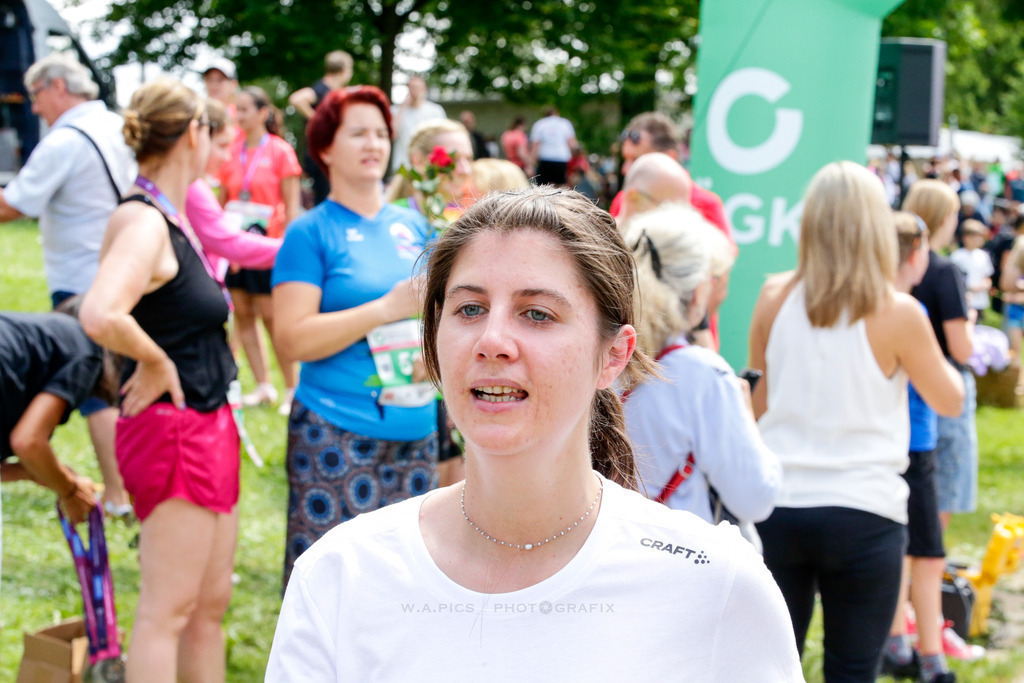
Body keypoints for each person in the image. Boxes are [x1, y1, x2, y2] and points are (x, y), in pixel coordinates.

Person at [265, 187, 804, 680]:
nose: (493, 340)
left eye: (537, 314)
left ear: (613, 355)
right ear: (432, 341)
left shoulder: (715, 587)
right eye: (470, 308)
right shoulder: (341, 577)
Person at [748, 161, 964, 682]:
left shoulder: (774, 295)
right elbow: (950, 399)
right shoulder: (898, 311)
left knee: (771, 668)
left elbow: (755, 404)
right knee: (851, 672)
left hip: (781, 506)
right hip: (866, 514)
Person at [80, 79, 240, 682]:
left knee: (209, 605)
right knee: (168, 610)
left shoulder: (171, 215)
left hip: (207, 421)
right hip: (174, 432)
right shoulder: (143, 221)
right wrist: (154, 359)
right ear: (193, 133)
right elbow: (101, 312)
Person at [271, 86, 438, 586]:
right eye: (358, 133)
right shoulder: (310, 233)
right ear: (325, 148)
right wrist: (384, 309)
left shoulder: (415, 226)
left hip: (416, 433)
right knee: (330, 591)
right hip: (336, 435)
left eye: (382, 133)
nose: (374, 144)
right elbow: (293, 340)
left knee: (408, 592)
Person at [0, 52, 135, 515]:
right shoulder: (120, 128)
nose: (34, 108)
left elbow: (13, 205)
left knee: (95, 389)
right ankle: (132, 488)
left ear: (58, 86)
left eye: (36, 96)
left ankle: (116, 494)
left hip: (80, 284)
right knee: (122, 387)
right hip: (128, 274)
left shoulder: (65, 139)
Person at [622, 204, 781, 528]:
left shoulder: (596, 355)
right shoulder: (703, 375)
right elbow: (756, 497)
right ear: (697, 293)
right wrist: (747, 415)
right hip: (677, 560)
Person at [881, 212, 964, 683]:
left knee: (901, 545)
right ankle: (931, 658)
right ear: (916, 254)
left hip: (892, 443)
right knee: (929, 554)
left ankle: (898, 642)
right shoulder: (907, 311)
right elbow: (945, 393)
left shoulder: (867, 305)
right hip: (916, 441)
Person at [385, 118, 475, 487]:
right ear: (422, 162)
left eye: (470, 158)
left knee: (459, 472)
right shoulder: (393, 223)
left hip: (455, 363)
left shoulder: (465, 222)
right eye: (455, 157)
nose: (467, 169)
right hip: (403, 373)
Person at [218, 86, 302, 414]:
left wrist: (292, 248)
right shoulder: (231, 149)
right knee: (243, 313)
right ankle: (263, 385)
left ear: (262, 113)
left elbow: (292, 205)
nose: (238, 116)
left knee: (272, 317)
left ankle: (292, 386)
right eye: (235, 110)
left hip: (270, 246)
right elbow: (224, 199)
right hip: (238, 245)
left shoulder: (280, 151)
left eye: (244, 110)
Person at [0, 300, 119, 526]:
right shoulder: (86, 349)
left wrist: (35, 472)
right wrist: (70, 491)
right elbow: (28, 442)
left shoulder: (34, 343)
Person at [906, 180, 976, 533]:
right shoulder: (945, 271)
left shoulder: (890, 269)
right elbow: (962, 347)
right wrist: (973, 324)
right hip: (941, 387)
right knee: (941, 495)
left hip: (899, 386)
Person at [186, 99, 282, 280]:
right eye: (222, 146)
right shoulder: (193, 187)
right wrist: (295, 248)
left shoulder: (193, 184)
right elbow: (228, 241)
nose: (227, 157)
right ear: (199, 137)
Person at [609, 111, 732, 240]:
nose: (625, 169)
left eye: (637, 161)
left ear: (670, 158)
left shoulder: (706, 204)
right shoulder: (625, 199)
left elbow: (723, 257)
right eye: (626, 160)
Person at [289, 50, 354, 206]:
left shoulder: (336, 92)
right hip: (318, 159)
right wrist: (317, 120)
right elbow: (297, 99)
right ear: (344, 70)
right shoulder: (323, 88)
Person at [390, 75, 446, 173]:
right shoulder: (395, 110)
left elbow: (443, 138)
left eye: (418, 87)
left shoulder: (435, 110)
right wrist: (402, 107)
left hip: (429, 166)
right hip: (403, 165)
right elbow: (393, 134)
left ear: (425, 89)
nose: (415, 91)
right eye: (412, 87)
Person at [950, 218, 994, 318]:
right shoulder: (957, 256)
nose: (977, 240)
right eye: (973, 236)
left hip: (980, 301)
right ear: (965, 237)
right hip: (964, 299)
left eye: (979, 236)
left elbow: (987, 277)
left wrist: (985, 284)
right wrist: (969, 287)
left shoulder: (983, 255)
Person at [529, 106, 576, 186]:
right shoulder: (565, 123)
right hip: (562, 157)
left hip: (545, 157)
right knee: (561, 185)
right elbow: (572, 144)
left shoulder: (539, 124)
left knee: (543, 186)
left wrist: (531, 163)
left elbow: (535, 145)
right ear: (557, 113)